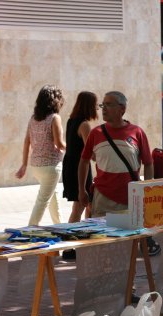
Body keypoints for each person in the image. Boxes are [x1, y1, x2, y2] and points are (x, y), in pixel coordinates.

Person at [77, 91, 160, 256]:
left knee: (127, 245)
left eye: (109, 104)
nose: (104, 109)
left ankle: (126, 280)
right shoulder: (96, 133)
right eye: (103, 105)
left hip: (129, 199)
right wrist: (81, 190)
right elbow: (84, 161)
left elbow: (149, 163)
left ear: (122, 109)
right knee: (101, 243)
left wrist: (146, 188)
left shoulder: (137, 132)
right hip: (102, 200)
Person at [16, 85, 66, 225]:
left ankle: (60, 226)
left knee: (52, 198)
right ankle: (29, 230)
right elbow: (60, 143)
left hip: (36, 166)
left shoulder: (34, 118)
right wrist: (76, 147)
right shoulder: (54, 118)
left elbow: (27, 141)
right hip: (51, 166)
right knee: (43, 201)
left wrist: (24, 164)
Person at [63, 91, 99, 223]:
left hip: (70, 166)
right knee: (79, 207)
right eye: (96, 105)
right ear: (89, 106)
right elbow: (91, 152)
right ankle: (72, 236)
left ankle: (84, 232)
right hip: (80, 168)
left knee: (87, 205)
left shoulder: (71, 121)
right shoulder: (85, 125)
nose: (97, 108)